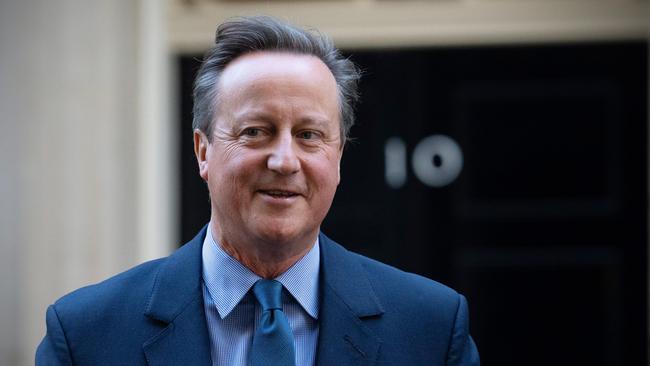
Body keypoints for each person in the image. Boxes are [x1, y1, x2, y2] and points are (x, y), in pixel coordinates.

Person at [36, 16, 480, 365]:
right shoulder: (86, 335)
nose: (285, 161)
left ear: (339, 157)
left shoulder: (431, 329)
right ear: (203, 150)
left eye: (309, 134)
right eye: (256, 131)